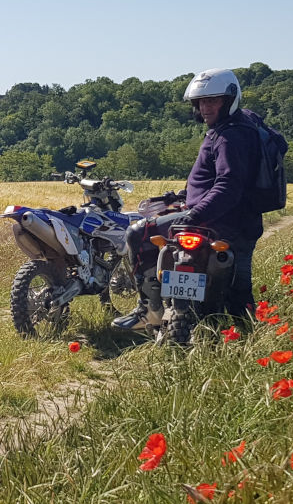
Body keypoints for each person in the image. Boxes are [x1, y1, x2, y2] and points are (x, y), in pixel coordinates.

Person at [113, 68, 264, 330]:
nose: (205, 108)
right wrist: (185, 196)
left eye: (212, 101)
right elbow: (218, 179)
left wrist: (196, 213)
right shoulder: (237, 128)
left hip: (221, 221)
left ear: (229, 100)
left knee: (137, 233)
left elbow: (228, 185)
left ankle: (149, 309)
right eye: (200, 102)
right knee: (238, 294)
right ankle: (244, 337)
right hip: (241, 221)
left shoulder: (229, 137)